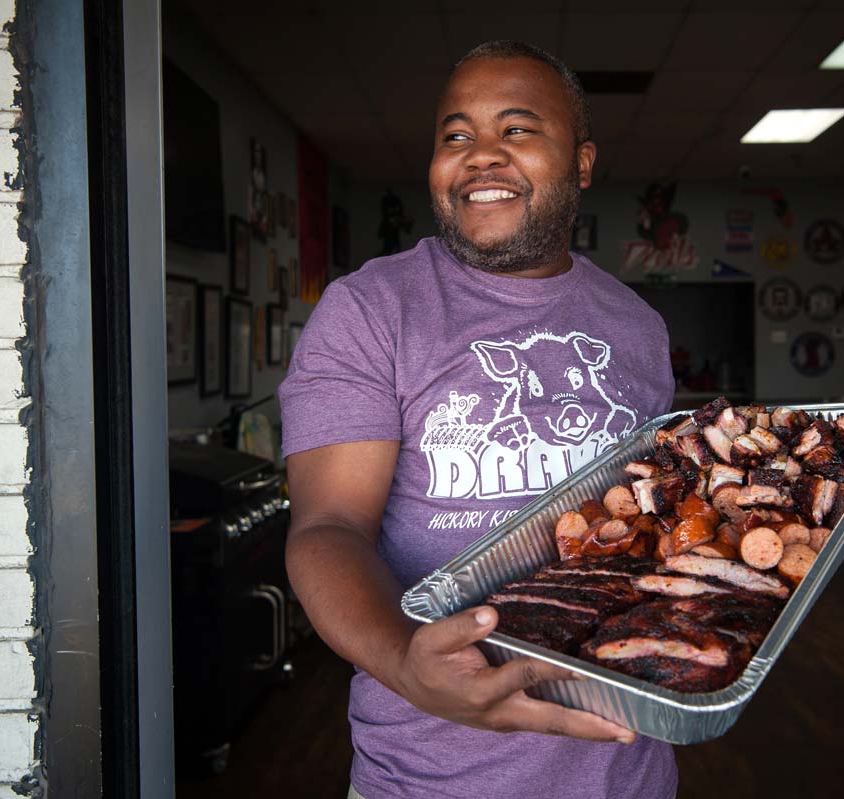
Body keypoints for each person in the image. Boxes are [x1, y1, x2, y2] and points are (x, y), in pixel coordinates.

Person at [278, 40, 676, 799]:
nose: (480, 155)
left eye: (517, 129)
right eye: (455, 135)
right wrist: (407, 662)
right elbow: (328, 527)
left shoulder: (636, 327)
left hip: (627, 773)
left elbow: (651, 526)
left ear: (582, 163)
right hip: (428, 779)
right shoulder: (373, 308)